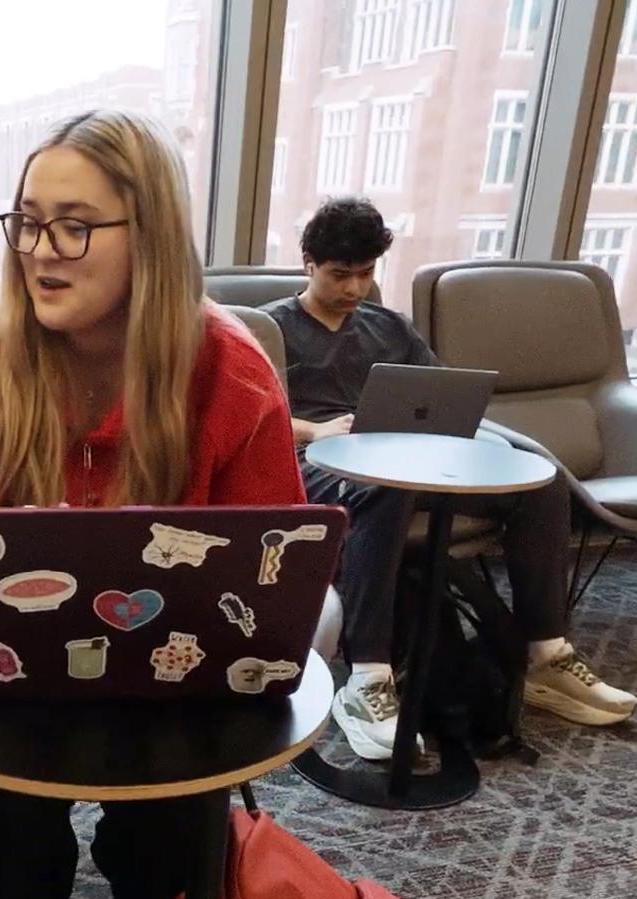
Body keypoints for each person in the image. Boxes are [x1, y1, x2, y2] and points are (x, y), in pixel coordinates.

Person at [0, 109, 305, 899]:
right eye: (28, 221)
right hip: (11, 664)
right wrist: (14, 558)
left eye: (73, 225)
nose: (39, 249)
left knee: (172, 855)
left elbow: (275, 552)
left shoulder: (230, 370)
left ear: (150, 236)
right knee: (8, 844)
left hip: (170, 670)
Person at [259, 196, 636, 760]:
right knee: (386, 487)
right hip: (319, 468)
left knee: (542, 484)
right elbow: (254, 419)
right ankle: (368, 677)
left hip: (408, 462)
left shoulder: (389, 328)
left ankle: (545, 655)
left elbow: (439, 395)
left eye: (366, 274)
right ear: (308, 262)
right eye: (341, 275)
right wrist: (315, 430)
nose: (355, 289)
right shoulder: (270, 329)